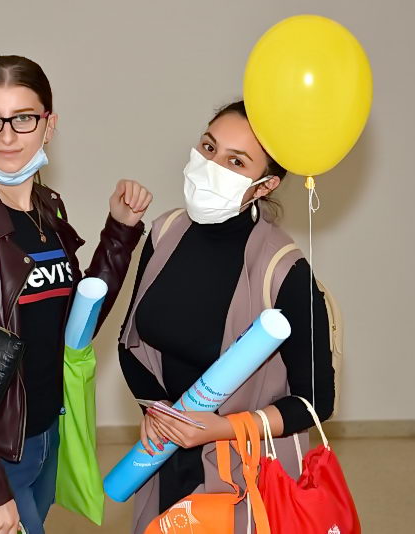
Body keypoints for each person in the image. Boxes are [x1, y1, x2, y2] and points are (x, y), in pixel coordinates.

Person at [0, 55, 152, 534]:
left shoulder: (48, 208)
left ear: (49, 125)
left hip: (45, 433)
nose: (6, 136)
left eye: (23, 118)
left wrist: (120, 231)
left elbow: (77, 324)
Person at [118, 100, 335, 533]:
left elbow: (316, 402)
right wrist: (155, 407)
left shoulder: (284, 270)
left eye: (236, 162)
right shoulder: (164, 232)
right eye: (208, 147)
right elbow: (131, 342)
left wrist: (221, 429)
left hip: (244, 470)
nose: (211, 165)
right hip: (165, 452)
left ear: (264, 185)